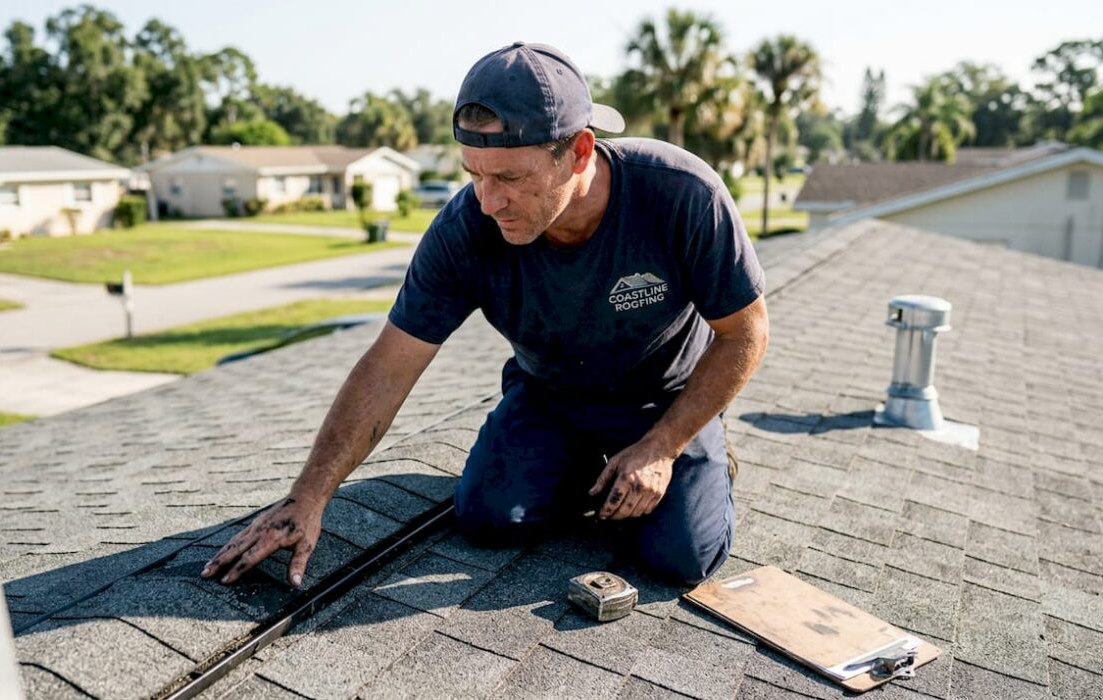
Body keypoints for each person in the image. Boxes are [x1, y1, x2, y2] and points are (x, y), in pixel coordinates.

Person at [201, 42, 768, 587]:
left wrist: (663, 445)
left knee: (681, 558)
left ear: (579, 152)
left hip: (664, 400)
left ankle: (701, 455)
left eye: (510, 179)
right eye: (474, 174)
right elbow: (389, 366)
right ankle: (576, 467)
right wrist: (309, 495)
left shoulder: (681, 193)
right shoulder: (466, 229)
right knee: (488, 518)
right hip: (553, 398)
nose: (488, 201)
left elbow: (746, 332)